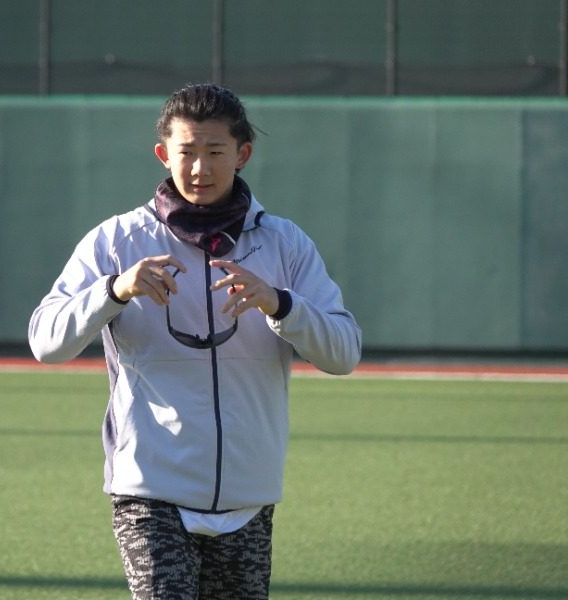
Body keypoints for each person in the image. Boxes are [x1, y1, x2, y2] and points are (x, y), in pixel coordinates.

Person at [28, 83, 361, 599]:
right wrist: (114, 290)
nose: (200, 168)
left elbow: (343, 352)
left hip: (249, 496)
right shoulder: (117, 241)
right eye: (186, 152)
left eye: (215, 152)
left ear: (242, 154)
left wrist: (281, 304)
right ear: (164, 155)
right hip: (150, 491)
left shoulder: (284, 243)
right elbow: (46, 341)